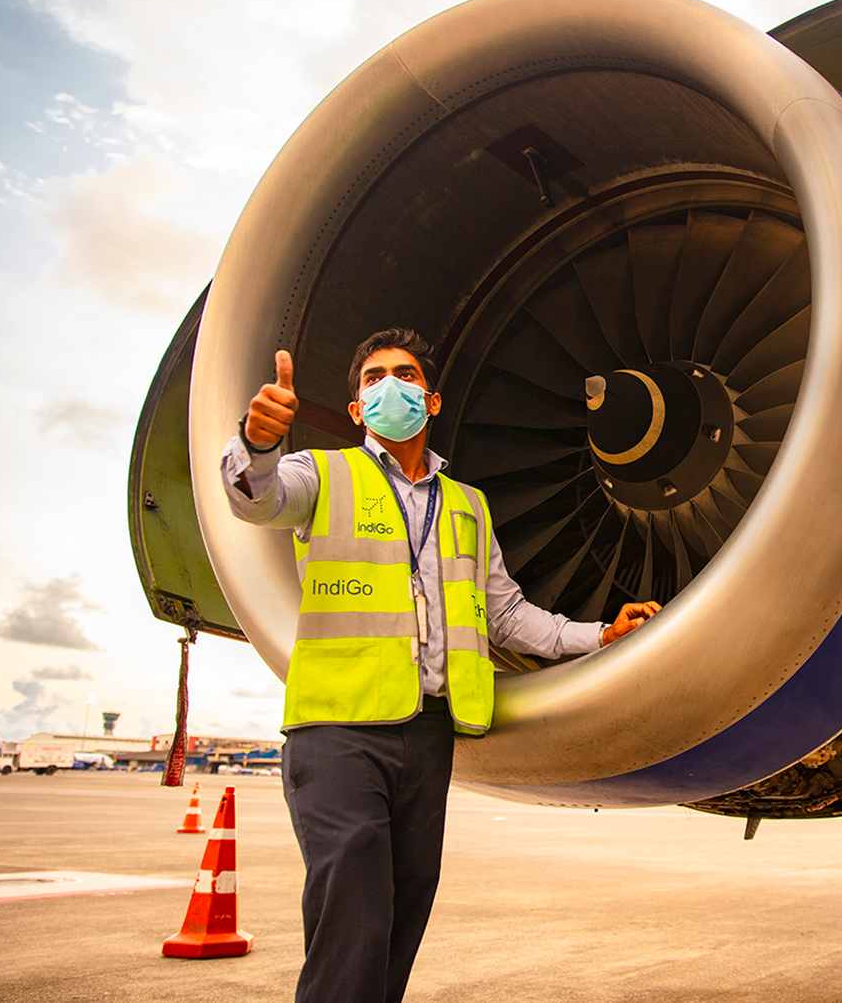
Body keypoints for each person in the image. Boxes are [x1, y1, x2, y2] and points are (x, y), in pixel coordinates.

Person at [221, 327, 660, 1003]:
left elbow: (508, 617)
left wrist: (599, 636)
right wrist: (256, 442)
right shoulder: (324, 474)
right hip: (338, 729)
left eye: (401, 374)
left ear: (431, 401)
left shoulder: (466, 506)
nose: (386, 385)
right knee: (354, 900)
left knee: (402, 908)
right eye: (371, 379)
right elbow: (258, 498)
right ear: (355, 410)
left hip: (427, 732)